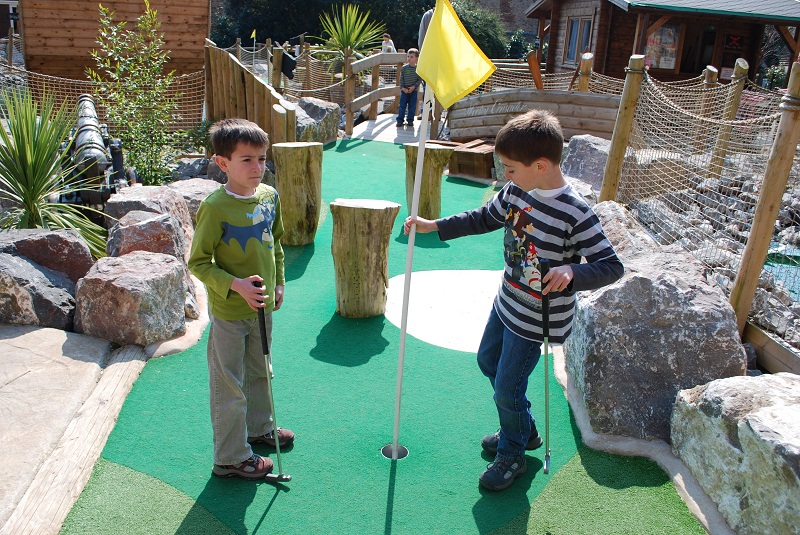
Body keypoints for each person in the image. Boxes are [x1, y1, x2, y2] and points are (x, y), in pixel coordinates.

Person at [403, 109, 623, 491]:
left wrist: (573, 273)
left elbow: (611, 265)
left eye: (510, 168)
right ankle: (523, 430)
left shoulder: (576, 212)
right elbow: (482, 217)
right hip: (508, 302)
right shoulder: (516, 191)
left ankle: (513, 454)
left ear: (540, 165)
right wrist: (435, 226)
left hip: (536, 318)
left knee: (508, 386)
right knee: (487, 361)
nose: (505, 175)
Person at [188, 118, 295, 480]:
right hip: (230, 313)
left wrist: (278, 282)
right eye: (246, 160)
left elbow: (275, 243)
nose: (257, 167)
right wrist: (236, 285)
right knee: (229, 384)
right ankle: (231, 457)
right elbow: (199, 262)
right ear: (223, 163)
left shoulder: (268, 196)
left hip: (263, 307)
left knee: (260, 369)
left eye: (262, 159)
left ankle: (259, 427)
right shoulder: (216, 207)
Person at [396, 49, 421, 127]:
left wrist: (414, 87)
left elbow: (419, 79)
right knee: (402, 105)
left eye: (411, 57)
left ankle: (410, 120)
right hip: (404, 90)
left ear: (416, 58)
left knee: (412, 106)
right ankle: (400, 120)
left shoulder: (418, 69)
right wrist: (402, 87)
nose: (409, 58)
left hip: (413, 90)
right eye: (408, 56)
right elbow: (401, 78)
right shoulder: (404, 68)